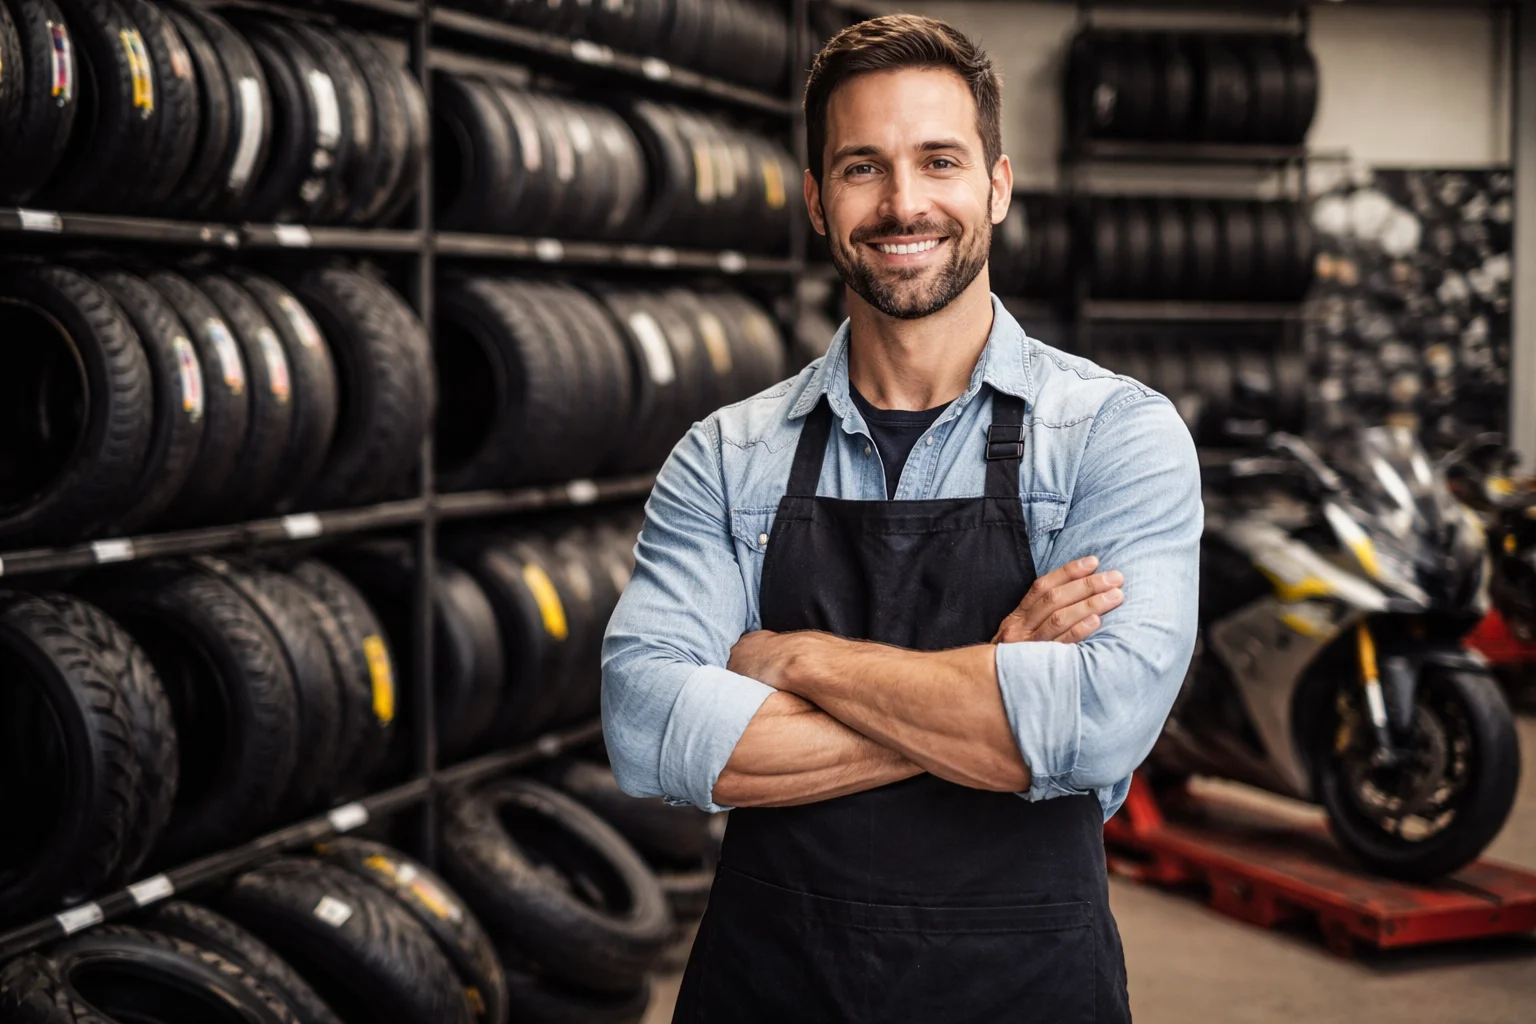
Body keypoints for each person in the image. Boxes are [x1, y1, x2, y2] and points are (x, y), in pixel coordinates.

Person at [602, 13, 1201, 1022]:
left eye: (939, 160)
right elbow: (650, 728)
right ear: (815, 199)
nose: (904, 202)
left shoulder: (1113, 436)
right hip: (771, 987)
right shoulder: (726, 454)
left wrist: (792, 659)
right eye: (862, 168)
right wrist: (999, 680)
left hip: (1025, 991)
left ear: (997, 186)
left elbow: (1096, 729)